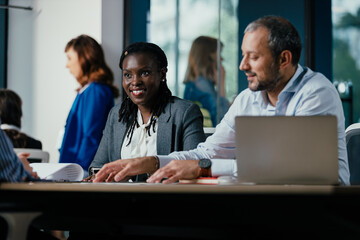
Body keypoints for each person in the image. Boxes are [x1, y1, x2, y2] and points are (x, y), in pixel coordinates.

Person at [93, 15, 350, 186]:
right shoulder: (247, 100)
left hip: (317, 211)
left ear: (284, 59)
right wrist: (152, 161)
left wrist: (203, 168)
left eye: (253, 57)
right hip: (269, 209)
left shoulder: (316, 92)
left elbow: (290, 168)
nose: (242, 66)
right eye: (242, 55)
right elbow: (207, 152)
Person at [88, 42, 206, 182]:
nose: (135, 81)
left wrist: (137, 172)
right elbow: (98, 166)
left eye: (144, 73)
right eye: (128, 75)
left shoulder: (184, 112)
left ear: (162, 74)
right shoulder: (117, 114)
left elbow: (196, 168)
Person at [59, 34, 119, 177]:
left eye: (69, 58)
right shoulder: (86, 91)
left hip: (81, 170)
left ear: (84, 58)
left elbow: (91, 135)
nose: (67, 65)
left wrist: (80, 171)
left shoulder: (96, 91)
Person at [183, 36, 229, 127]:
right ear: (209, 58)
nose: (222, 59)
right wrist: (221, 85)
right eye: (219, 55)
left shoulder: (196, 84)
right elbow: (222, 122)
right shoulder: (203, 86)